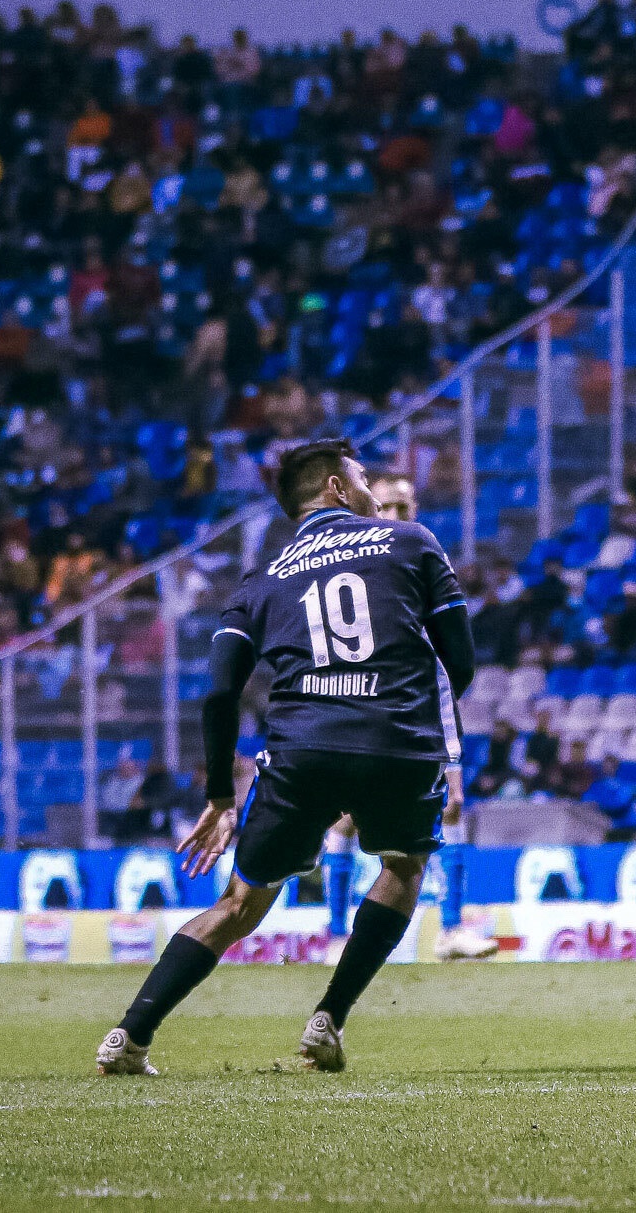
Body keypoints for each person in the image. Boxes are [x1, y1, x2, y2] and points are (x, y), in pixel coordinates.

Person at [96, 438, 476, 1076]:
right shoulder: (411, 542)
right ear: (334, 488)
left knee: (238, 904)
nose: (368, 494)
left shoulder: (263, 580)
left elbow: (219, 694)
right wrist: (407, 721)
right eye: (360, 481)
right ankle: (327, 1020)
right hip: (396, 741)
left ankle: (129, 1037)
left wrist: (221, 797)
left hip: (302, 749)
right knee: (403, 869)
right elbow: (458, 662)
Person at [320, 471, 495, 962]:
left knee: (453, 805)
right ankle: (336, 936)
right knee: (348, 818)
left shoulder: (424, 562)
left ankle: (452, 929)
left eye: (404, 507)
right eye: (387, 506)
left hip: (421, 706)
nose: (395, 515)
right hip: (360, 706)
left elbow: (445, 651)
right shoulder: (349, 566)